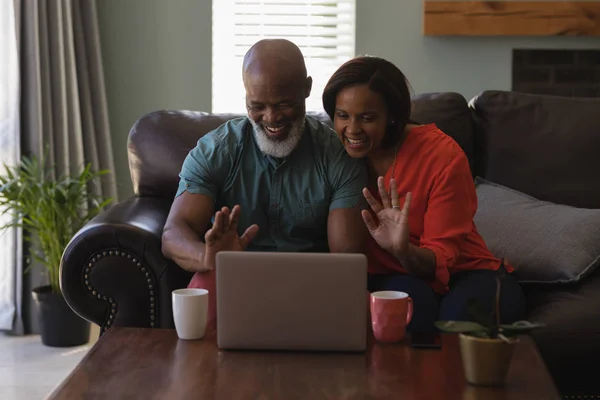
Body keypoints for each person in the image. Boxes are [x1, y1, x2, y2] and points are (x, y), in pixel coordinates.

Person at [162, 39, 368, 327]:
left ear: (307, 89)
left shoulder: (337, 155)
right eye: (257, 106)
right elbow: (173, 234)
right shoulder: (217, 150)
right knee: (200, 302)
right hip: (229, 276)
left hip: (312, 283)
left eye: (284, 104)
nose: (271, 118)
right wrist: (208, 257)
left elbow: (346, 259)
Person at [322, 56, 527, 332]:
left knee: (457, 322)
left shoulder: (442, 155)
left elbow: (442, 257)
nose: (352, 129)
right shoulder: (331, 152)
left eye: (367, 118)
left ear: (392, 115)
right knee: (408, 315)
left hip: (467, 273)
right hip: (393, 277)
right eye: (342, 115)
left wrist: (402, 249)